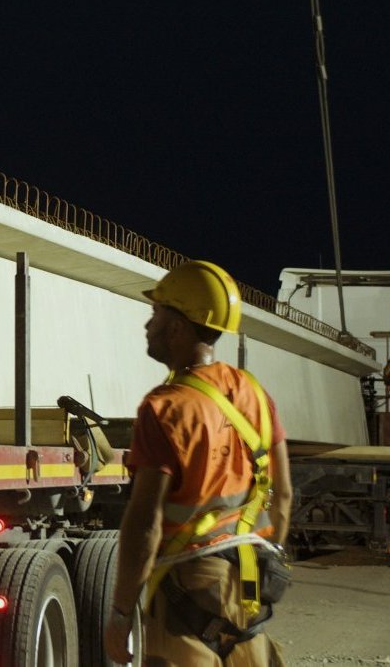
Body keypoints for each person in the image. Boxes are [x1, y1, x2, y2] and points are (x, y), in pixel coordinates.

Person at [108, 260, 293, 666]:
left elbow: (145, 525)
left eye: (155, 313)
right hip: (249, 590)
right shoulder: (255, 394)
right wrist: (268, 558)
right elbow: (283, 495)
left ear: (177, 327)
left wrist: (121, 613)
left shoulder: (164, 408)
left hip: (186, 591)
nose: (147, 324)